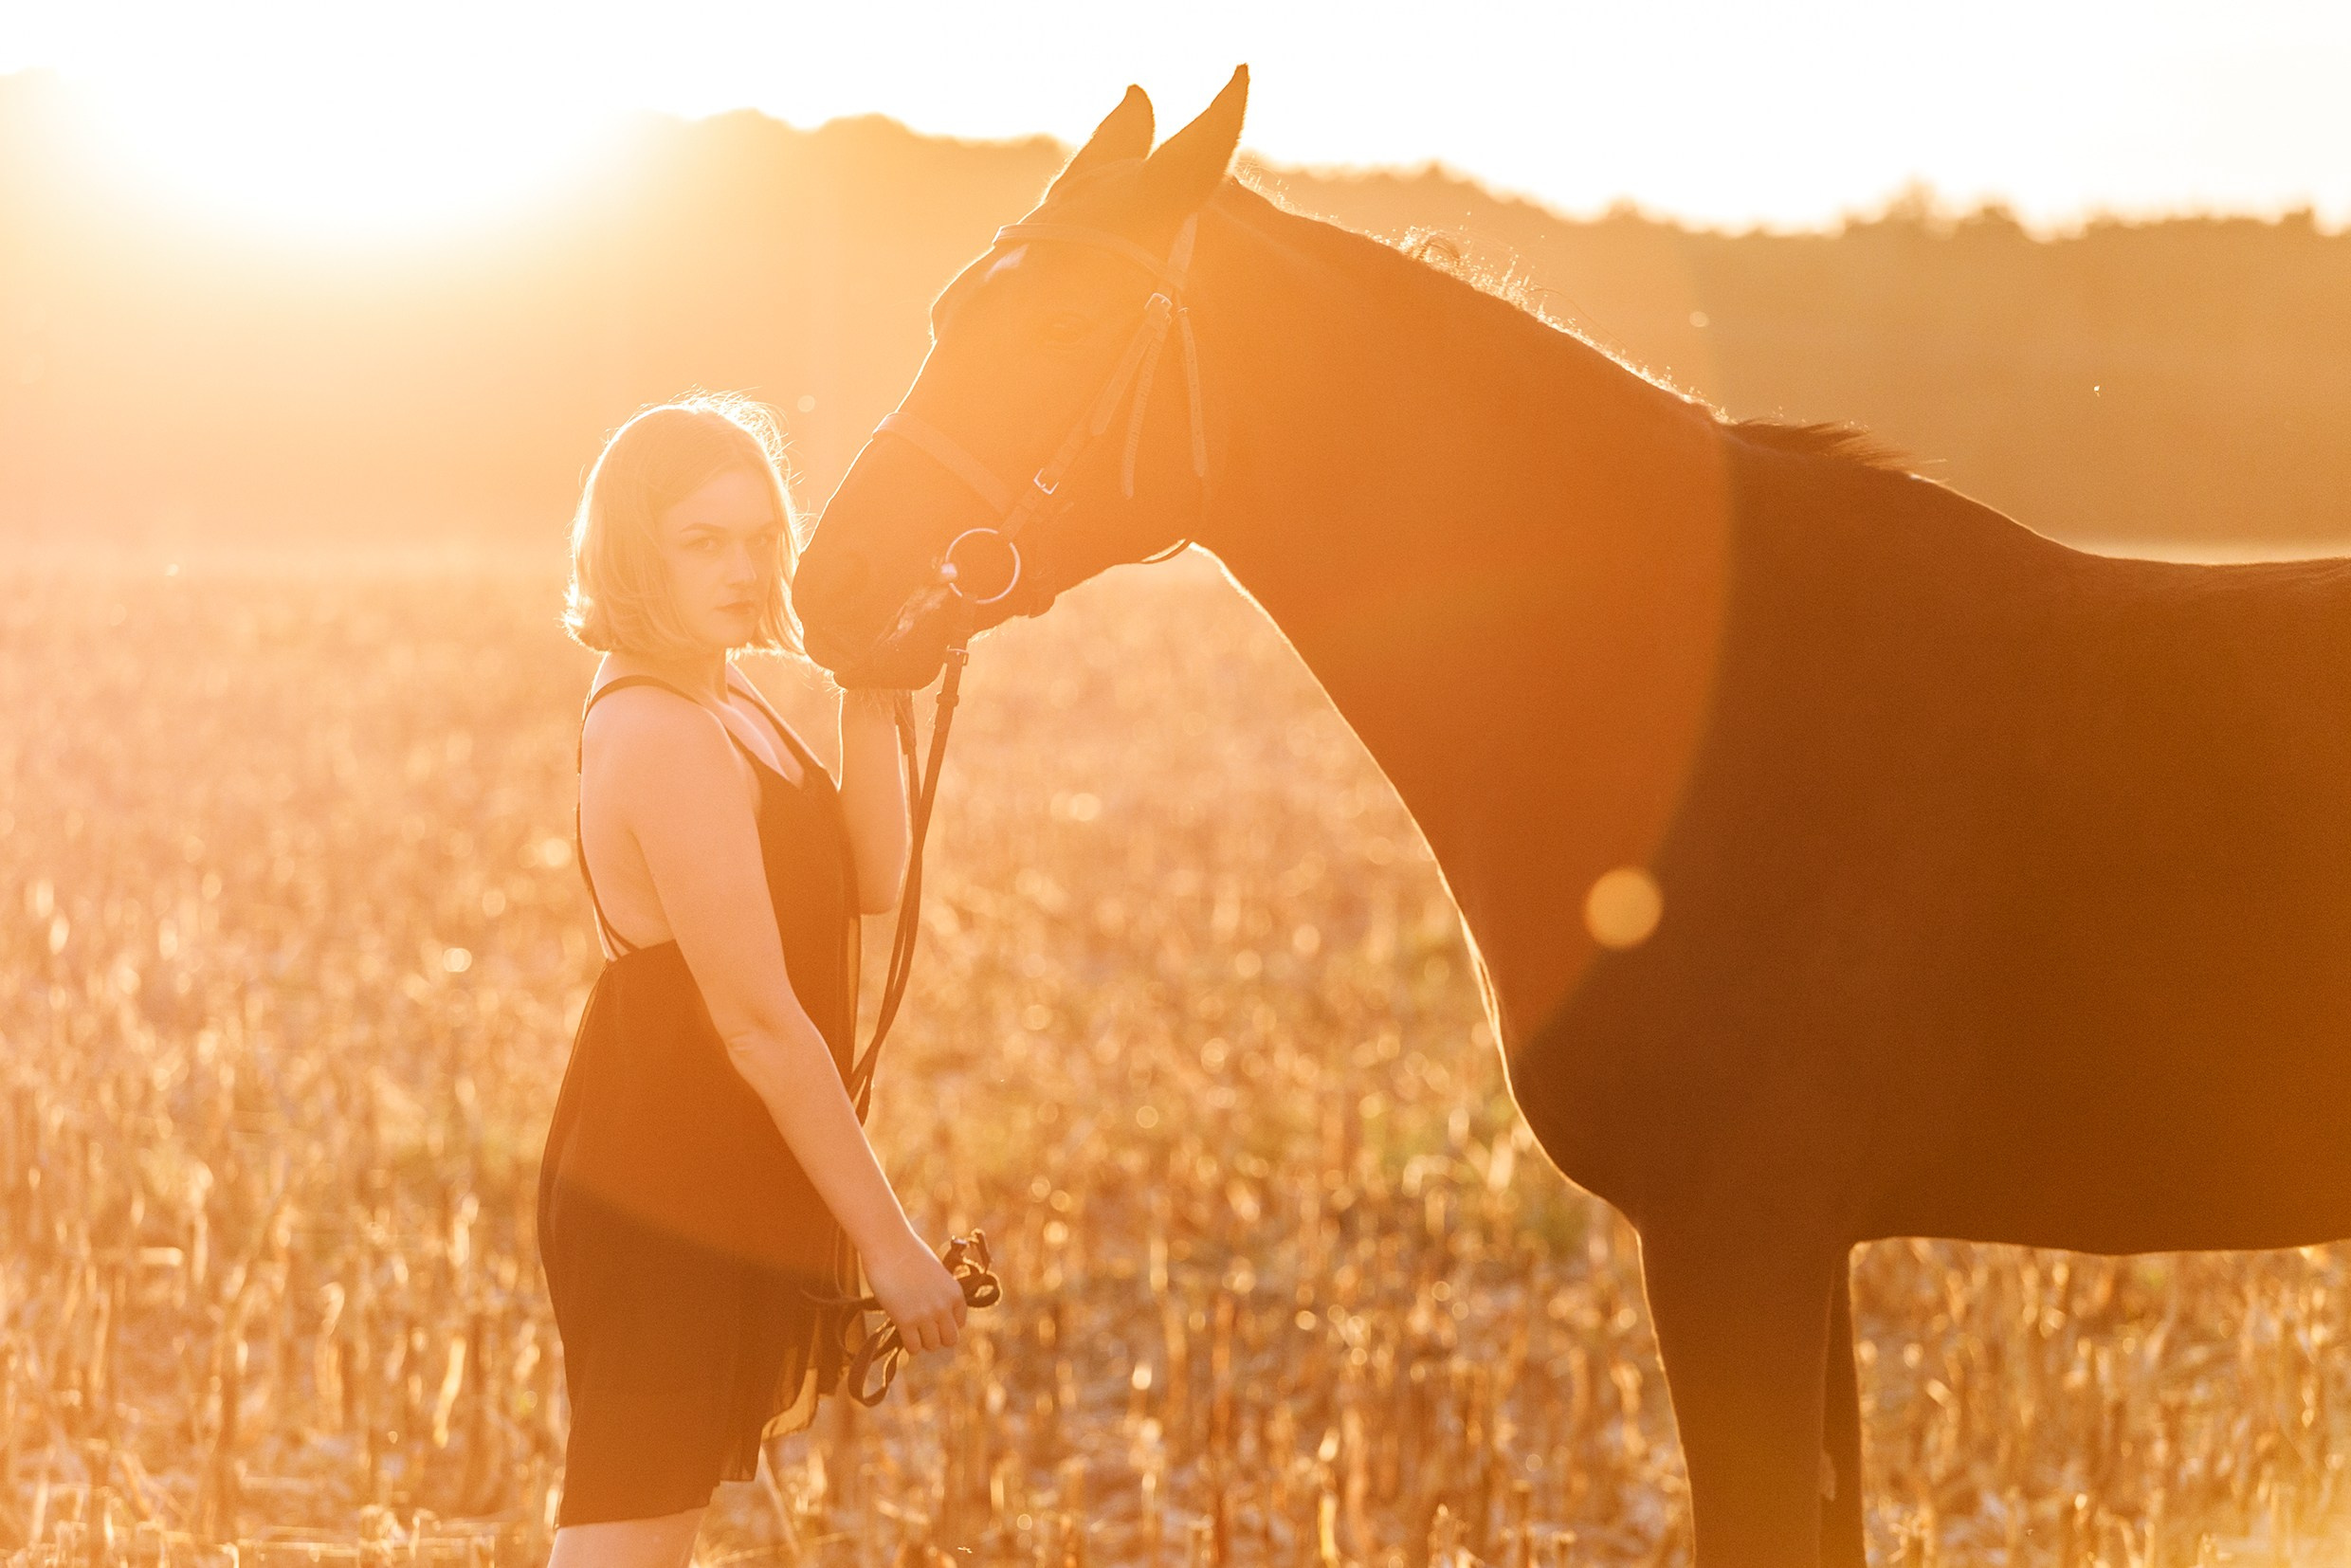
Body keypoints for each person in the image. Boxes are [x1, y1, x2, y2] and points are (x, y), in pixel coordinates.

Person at [538, 393, 967, 1566]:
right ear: (635, 552)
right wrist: (886, 1244)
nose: (742, 568)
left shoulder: (727, 697)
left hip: (719, 1165)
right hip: (657, 1179)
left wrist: (871, 688)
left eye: (759, 537)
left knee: (656, 1529)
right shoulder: (661, 730)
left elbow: (868, 877)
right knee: (623, 1534)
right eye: (701, 541)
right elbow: (761, 1024)